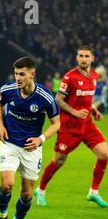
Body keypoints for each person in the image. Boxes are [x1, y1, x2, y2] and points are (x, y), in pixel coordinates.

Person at [0, 57, 60, 219]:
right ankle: (1, 217)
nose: (17, 78)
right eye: (16, 73)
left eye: (22, 74)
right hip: (9, 143)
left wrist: (41, 139)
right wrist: (0, 125)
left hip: (31, 149)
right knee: (7, 184)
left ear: (32, 74)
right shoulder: (8, 90)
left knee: (26, 194)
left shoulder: (45, 97)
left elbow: (56, 124)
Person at [35, 46, 108, 207]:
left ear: (92, 58)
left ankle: (93, 192)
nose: (83, 59)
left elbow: (86, 99)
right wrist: (74, 112)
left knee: (104, 154)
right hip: (69, 126)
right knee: (59, 161)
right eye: (80, 56)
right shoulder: (70, 77)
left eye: (86, 56)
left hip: (87, 125)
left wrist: (94, 110)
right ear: (77, 58)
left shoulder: (94, 76)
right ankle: (40, 190)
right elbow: (59, 99)